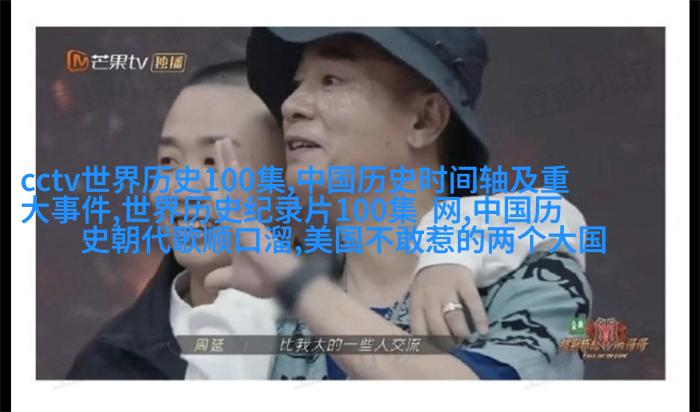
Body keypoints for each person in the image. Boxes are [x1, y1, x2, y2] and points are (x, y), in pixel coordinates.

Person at [203, 28, 593, 379]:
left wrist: (290, 279)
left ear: (425, 121)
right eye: (297, 84)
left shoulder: (532, 281)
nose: (291, 105)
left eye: (331, 80)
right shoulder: (267, 310)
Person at [66, 61, 286, 379]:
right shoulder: (110, 365)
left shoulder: (342, 334)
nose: (182, 190)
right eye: (169, 162)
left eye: (213, 162)